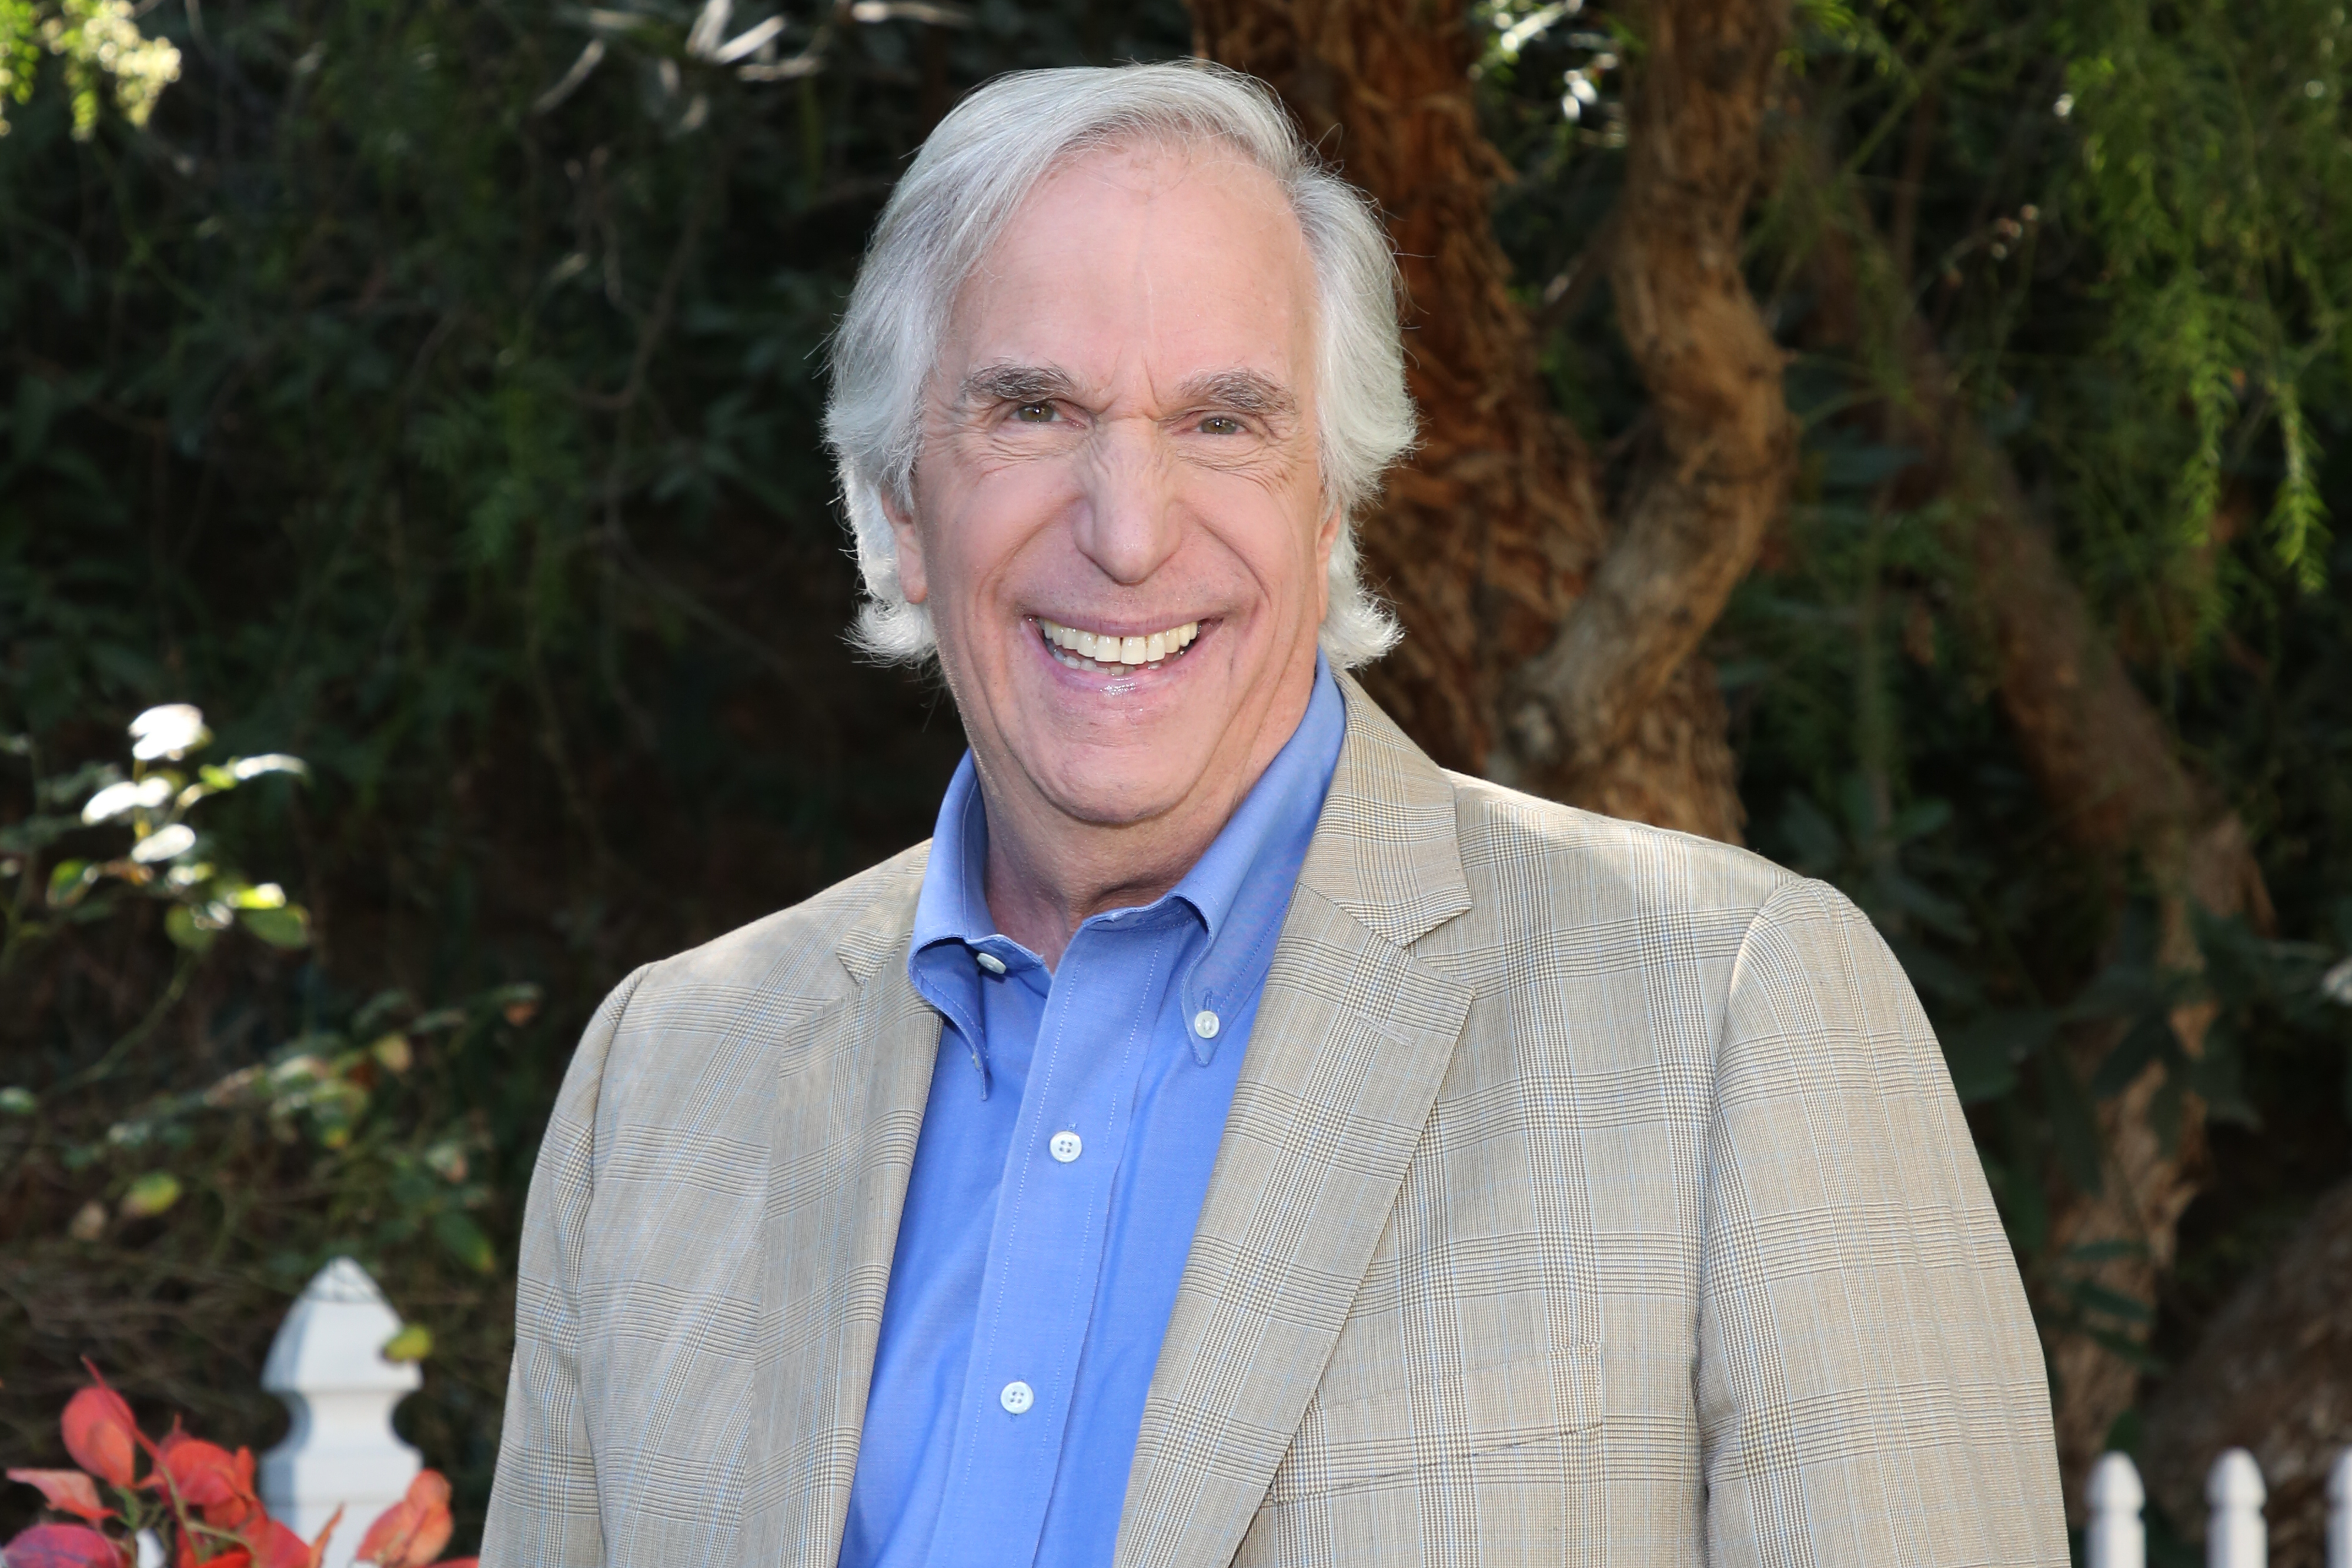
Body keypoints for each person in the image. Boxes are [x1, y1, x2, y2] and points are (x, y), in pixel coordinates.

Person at [481, 60, 2066, 1568]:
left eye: (1222, 423)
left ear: (1330, 508)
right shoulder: (662, 1085)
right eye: (1034, 411)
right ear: (899, 504)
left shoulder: (1730, 1013)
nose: (1127, 528)